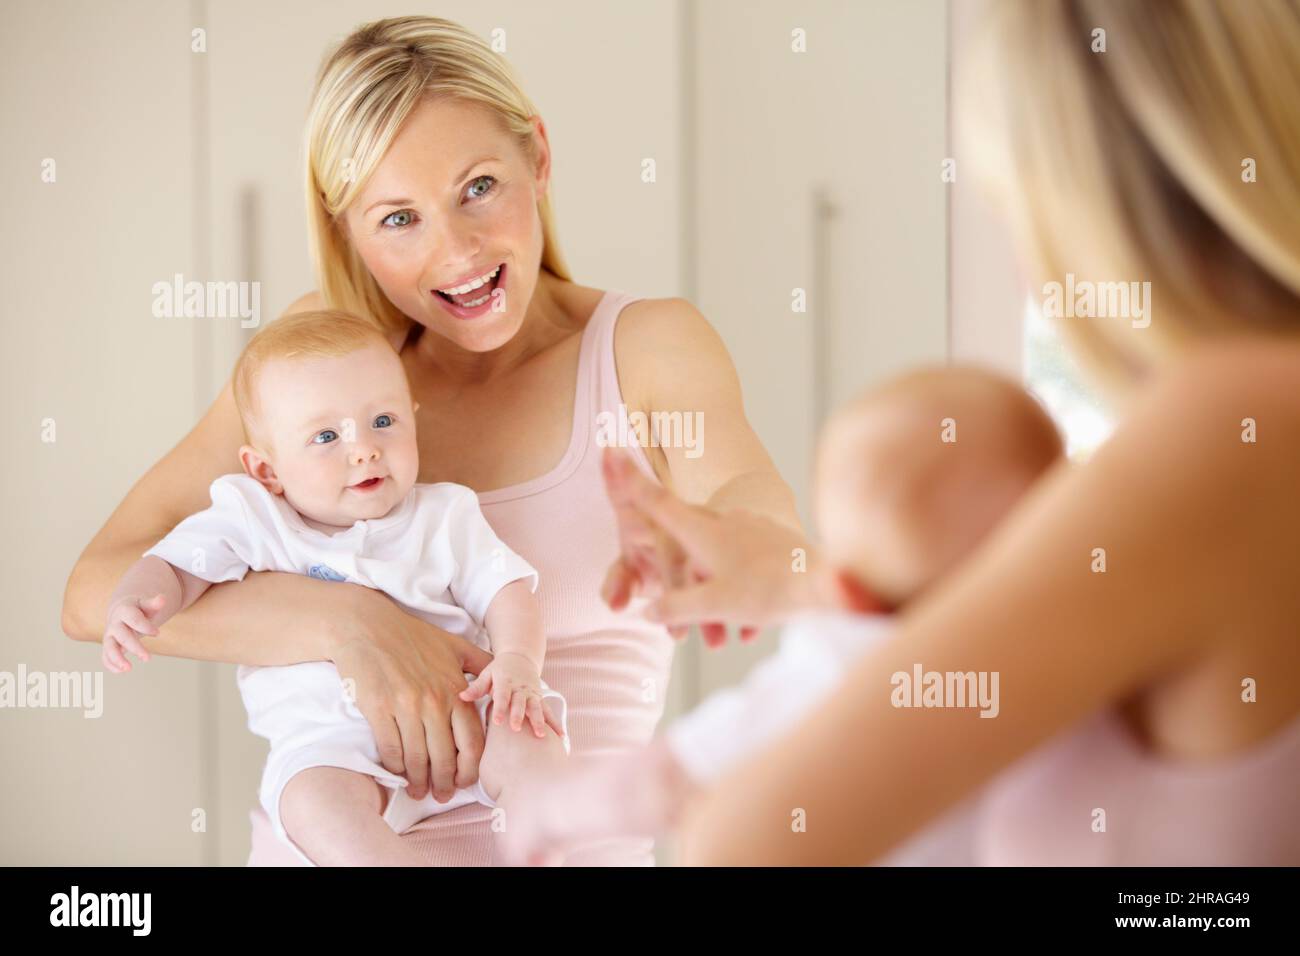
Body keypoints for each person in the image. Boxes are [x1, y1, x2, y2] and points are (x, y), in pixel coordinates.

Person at [61, 15, 802, 866]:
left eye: (479, 186)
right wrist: (348, 622)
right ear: (348, 232)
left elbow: (753, 503)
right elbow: (94, 593)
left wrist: (742, 547)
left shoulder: (643, 347)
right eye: (398, 218)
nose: (457, 251)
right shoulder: (323, 368)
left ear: (539, 158)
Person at [598, 0, 1300, 866]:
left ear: (1089, 198)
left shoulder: (1232, 420)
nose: (1026, 266)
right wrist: (824, 587)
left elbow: (747, 842)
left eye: (1014, 205)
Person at [497, 367, 1063, 865]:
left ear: (843, 590)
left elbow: (662, 783)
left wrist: (547, 805)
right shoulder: (1078, 663)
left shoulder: (843, 664)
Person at [102, 310, 570, 866]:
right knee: (310, 804)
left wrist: (518, 660)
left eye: (384, 421)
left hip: (464, 717)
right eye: (326, 436)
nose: (364, 449)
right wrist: (135, 599)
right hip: (330, 745)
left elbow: (505, 589)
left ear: (413, 420)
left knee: (532, 734)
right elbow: (176, 566)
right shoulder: (252, 517)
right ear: (267, 470)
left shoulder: (445, 514)